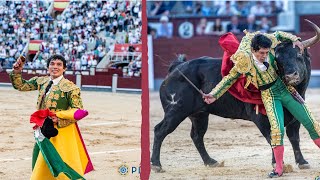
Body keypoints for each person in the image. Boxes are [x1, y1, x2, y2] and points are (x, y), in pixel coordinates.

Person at [203, 31, 320, 178]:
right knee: (277, 132)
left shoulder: (269, 44)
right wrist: (214, 94)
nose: (265, 55)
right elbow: (229, 79)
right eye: (262, 53)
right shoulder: (244, 61)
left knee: (313, 124)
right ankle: (278, 169)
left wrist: (295, 39)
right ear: (253, 50)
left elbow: (278, 34)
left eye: (267, 52)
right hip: (270, 96)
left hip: (285, 90)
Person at [9, 54, 93, 179]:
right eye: (52, 64)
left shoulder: (71, 87)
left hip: (60, 133)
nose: (55, 67)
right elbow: (21, 86)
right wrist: (17, 71)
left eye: (59, 65)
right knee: (41, 160)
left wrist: (58, 120)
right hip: (42, 129)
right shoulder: (42, 81)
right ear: (48, 67)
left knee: (60, 162)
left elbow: (77, 112)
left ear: (64, 68)